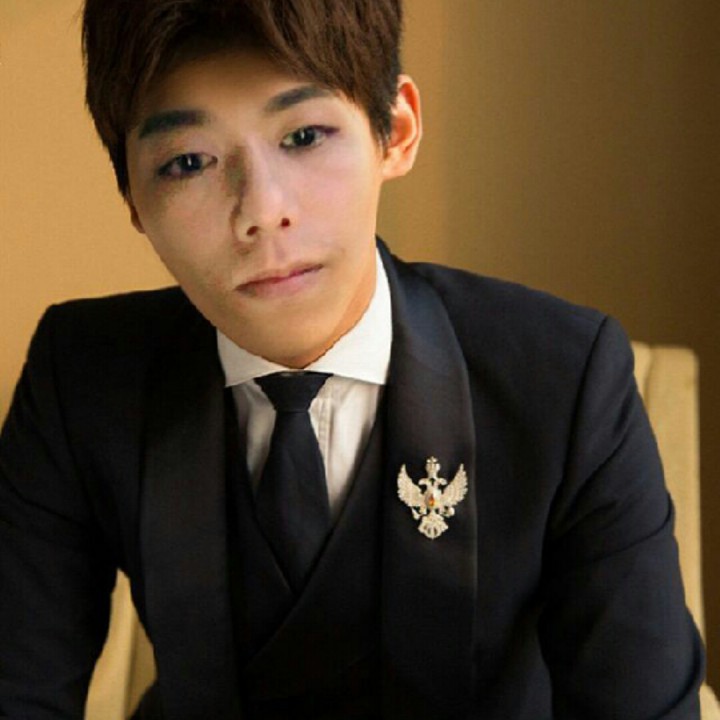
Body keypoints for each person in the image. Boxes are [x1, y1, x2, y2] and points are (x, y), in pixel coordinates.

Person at [0, 1, 705, 718]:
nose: (261, 210)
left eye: (304, 136)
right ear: (131, 195)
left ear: (395, 131)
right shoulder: (81, 377)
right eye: (188, 162)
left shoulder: (566, 377)